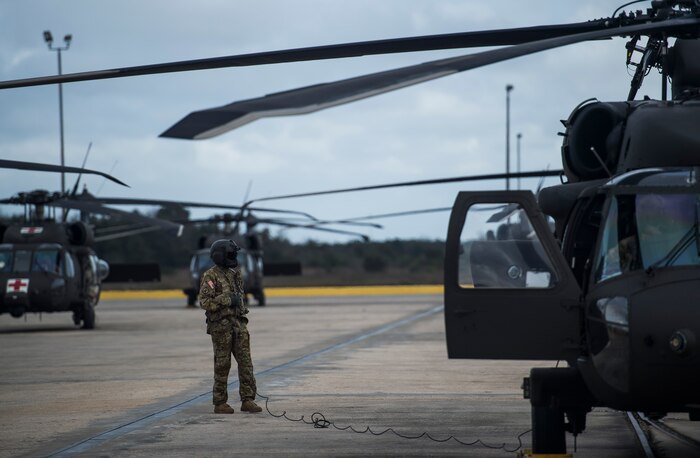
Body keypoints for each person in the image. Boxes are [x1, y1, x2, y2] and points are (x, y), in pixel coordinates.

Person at [198, 239, 262, 414]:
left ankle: (248, 400)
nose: (234, 257)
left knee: (246, 363)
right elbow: (204, 302)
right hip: (221, 326)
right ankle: (220, 402)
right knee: (222, 364)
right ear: (221, 256)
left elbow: (239, 297)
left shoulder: (235, 274)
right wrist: (226, 300)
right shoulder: (210, 276)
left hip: (238, 324)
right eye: (231, 254)